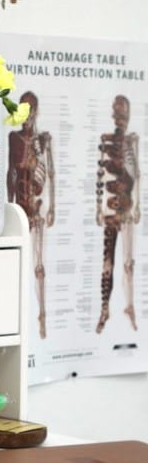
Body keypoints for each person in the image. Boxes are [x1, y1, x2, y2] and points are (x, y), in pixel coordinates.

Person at [7, 91, 54, 339]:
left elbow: (51, 174)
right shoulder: (13, 138)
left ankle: (41, 317)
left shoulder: (43, 140)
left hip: (36, 207)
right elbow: (10, 173)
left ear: (36, 112)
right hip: (19, 209)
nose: (26, 114)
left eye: (30, 109)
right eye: (23, 108)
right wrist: (7, 206)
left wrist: (52, 206)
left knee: (38, 265)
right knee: (17, 264)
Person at [94, 94, 141, 333]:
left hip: (126, 209)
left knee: (128, 263)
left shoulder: (132, 141)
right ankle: (104, 309)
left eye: (124, 113)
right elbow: (101, 177)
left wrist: (137, 206)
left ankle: (130, 307)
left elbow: (137, 175)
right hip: (112, 210)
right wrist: (99, 208)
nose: (120, 118)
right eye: (118, 113)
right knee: (107, 263)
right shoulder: (107, 140)